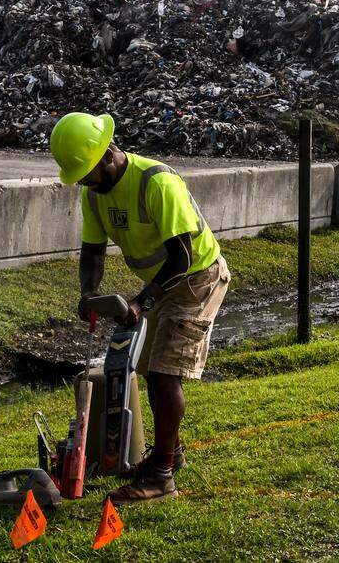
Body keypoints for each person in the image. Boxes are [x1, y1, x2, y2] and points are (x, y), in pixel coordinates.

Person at [50, 112, 230, 504]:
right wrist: (88, 292)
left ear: (106, 157)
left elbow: (181, 257)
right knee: (150, 371)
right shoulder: (94, 196)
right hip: (162, 284)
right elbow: (92, 251)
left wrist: (140, 300)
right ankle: (171, 455)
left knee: (166, 373)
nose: (80, 181)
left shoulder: (157, 182)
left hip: (197, 277)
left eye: (84, 172)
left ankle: (162, 476)